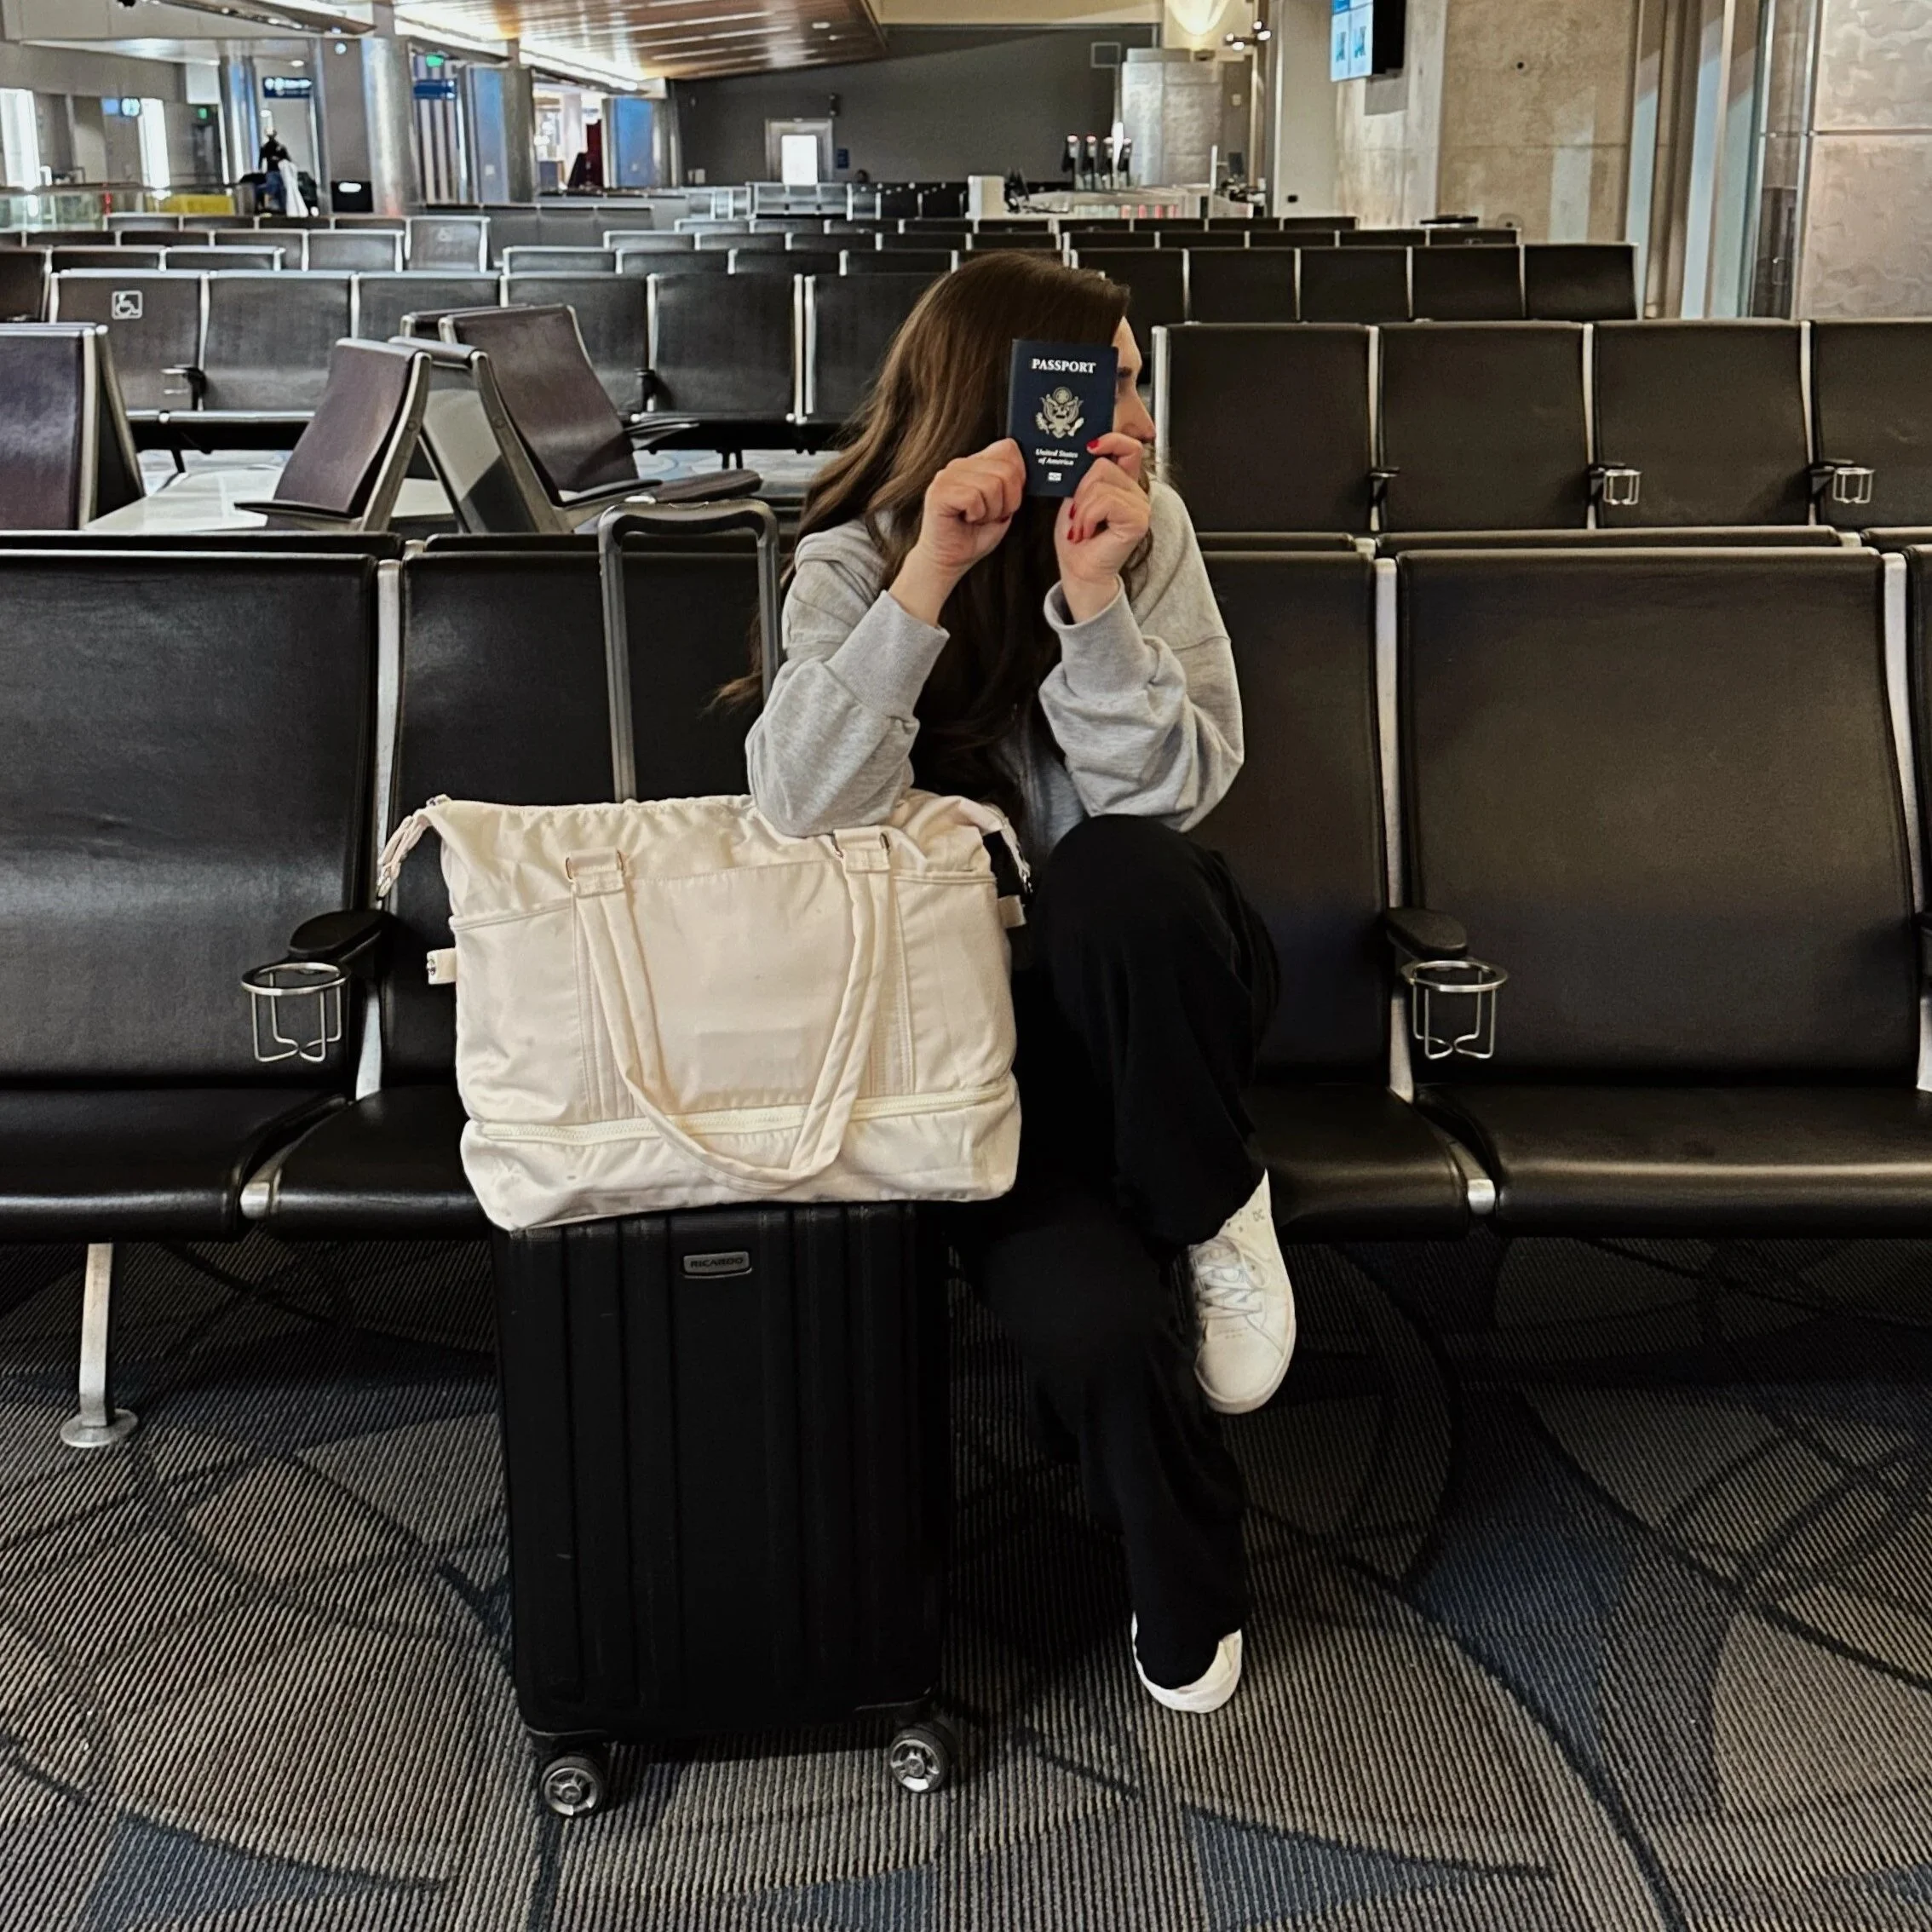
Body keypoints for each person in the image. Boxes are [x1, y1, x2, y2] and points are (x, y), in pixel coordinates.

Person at [745, 251, 1296, 1715]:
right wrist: (934, 575)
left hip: (1162, 986)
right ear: (1012, 392)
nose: (1137, 406)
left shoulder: (1145, 526)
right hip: (979, 1051)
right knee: (1098, 1324)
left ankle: (1210, 1204)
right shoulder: (858, 557)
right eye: (1107, 375)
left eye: (1131, 373)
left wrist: (1092, 598)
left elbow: (1177, 790)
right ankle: (1189, 1584)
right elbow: (796, 802)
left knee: (1113, 867)